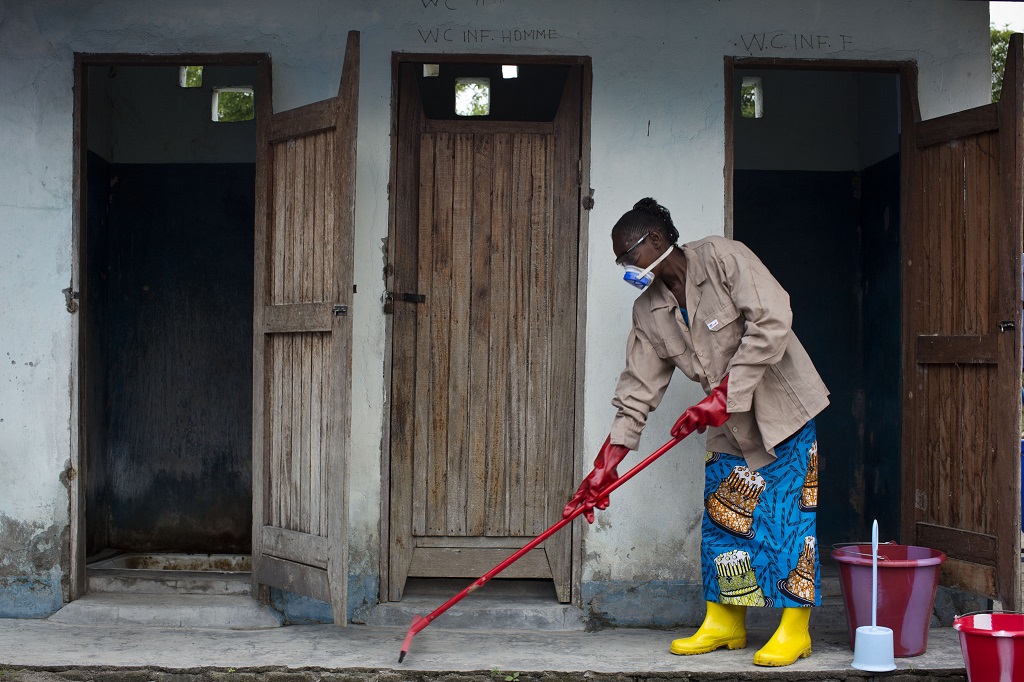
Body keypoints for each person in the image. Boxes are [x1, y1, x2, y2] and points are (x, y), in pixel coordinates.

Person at [563, 198, 829, 667]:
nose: (627, 267)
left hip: (781, 408)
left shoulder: (724, 258)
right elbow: (637, 390)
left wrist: (723, 396)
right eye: (620, 261)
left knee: (788, 520)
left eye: (630, 255)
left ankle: (794, 630)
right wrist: (605, 466)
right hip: (727, 425)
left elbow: (773, 320)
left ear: (659, 241)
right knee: (724, 522)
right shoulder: (649, 311)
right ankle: (724, 623)